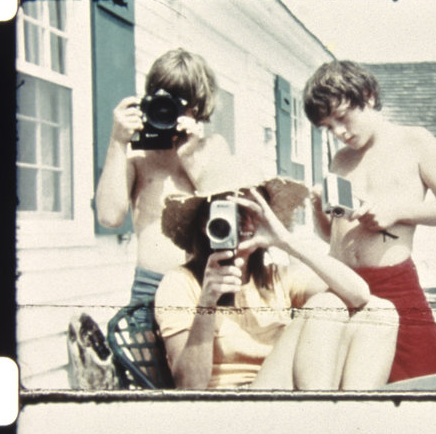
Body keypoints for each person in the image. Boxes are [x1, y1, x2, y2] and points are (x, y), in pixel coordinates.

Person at [154, 156, 398, 389]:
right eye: (229, 212)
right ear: (204, 222)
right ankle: (330, 421)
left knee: (380, 311)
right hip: (231, 407)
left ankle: (351, 418)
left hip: (283, 392)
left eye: (251, 211)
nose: (242, 223)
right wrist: (206, 302)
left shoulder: (276, 277)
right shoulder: (180, 282)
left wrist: (285, 240)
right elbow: (188, 385)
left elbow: (360, 295)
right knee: (325, 304)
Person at [303, 61, 436, 384]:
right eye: (327, 127)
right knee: (345, 391)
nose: (338, 132)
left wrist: (396, 211)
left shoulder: (414, 140)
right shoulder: (340, 160)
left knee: (423, 384)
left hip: (394, 287)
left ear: (368, 95)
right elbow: (333, 237)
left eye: (342, 117)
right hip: (342, 288)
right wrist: (317, 209)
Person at [95, 48, 230, 311]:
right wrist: (117, 140)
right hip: (151, 286)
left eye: (181, 104)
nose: (170, 111)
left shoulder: (213, 147)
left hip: (205, 283)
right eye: (164, 100)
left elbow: (227, 206)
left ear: (198, 106)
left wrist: (190, 153)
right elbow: (109, 217)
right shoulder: (138, 156)